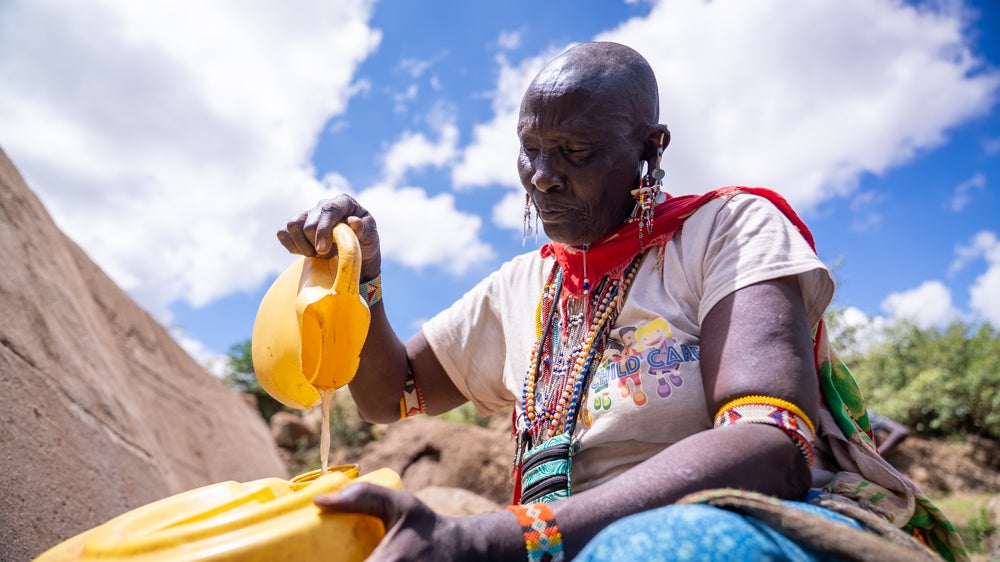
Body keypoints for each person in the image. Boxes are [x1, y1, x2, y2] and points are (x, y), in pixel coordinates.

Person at [277, 42, 964, 561]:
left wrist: (493, 540)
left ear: (649, 148)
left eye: (574, 151)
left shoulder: (727, 232)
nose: (543, 178)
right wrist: (363, 279)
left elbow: (768, 447)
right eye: (531, 150)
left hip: (743, 525)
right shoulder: (522, 288)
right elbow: (387, 393)